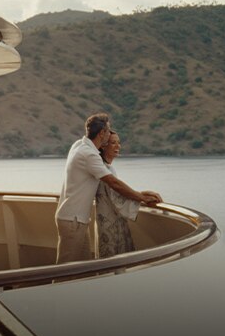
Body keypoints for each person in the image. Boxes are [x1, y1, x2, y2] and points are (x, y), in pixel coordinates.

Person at [55, 113, 162, 264]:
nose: (110, 134)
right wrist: (141, 197)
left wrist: (141, 193)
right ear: (101, 134)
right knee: (65, 269)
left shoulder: (79, 145)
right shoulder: (88, 154)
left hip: (76, 219)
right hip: (73, 220)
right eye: (108, 131)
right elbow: (114, 184)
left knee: (80, 269)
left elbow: (113, 186)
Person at [96, 131, 141, 258]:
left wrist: (141, 194)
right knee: (111, 260)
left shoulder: (108, 168)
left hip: (110, 218)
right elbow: (117, 195)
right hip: (108, 220)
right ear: (103, 146)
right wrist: (142, 198)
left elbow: (118, 192)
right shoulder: (103, 169)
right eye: (113, 143)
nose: (118, 146)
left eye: (119, 143)